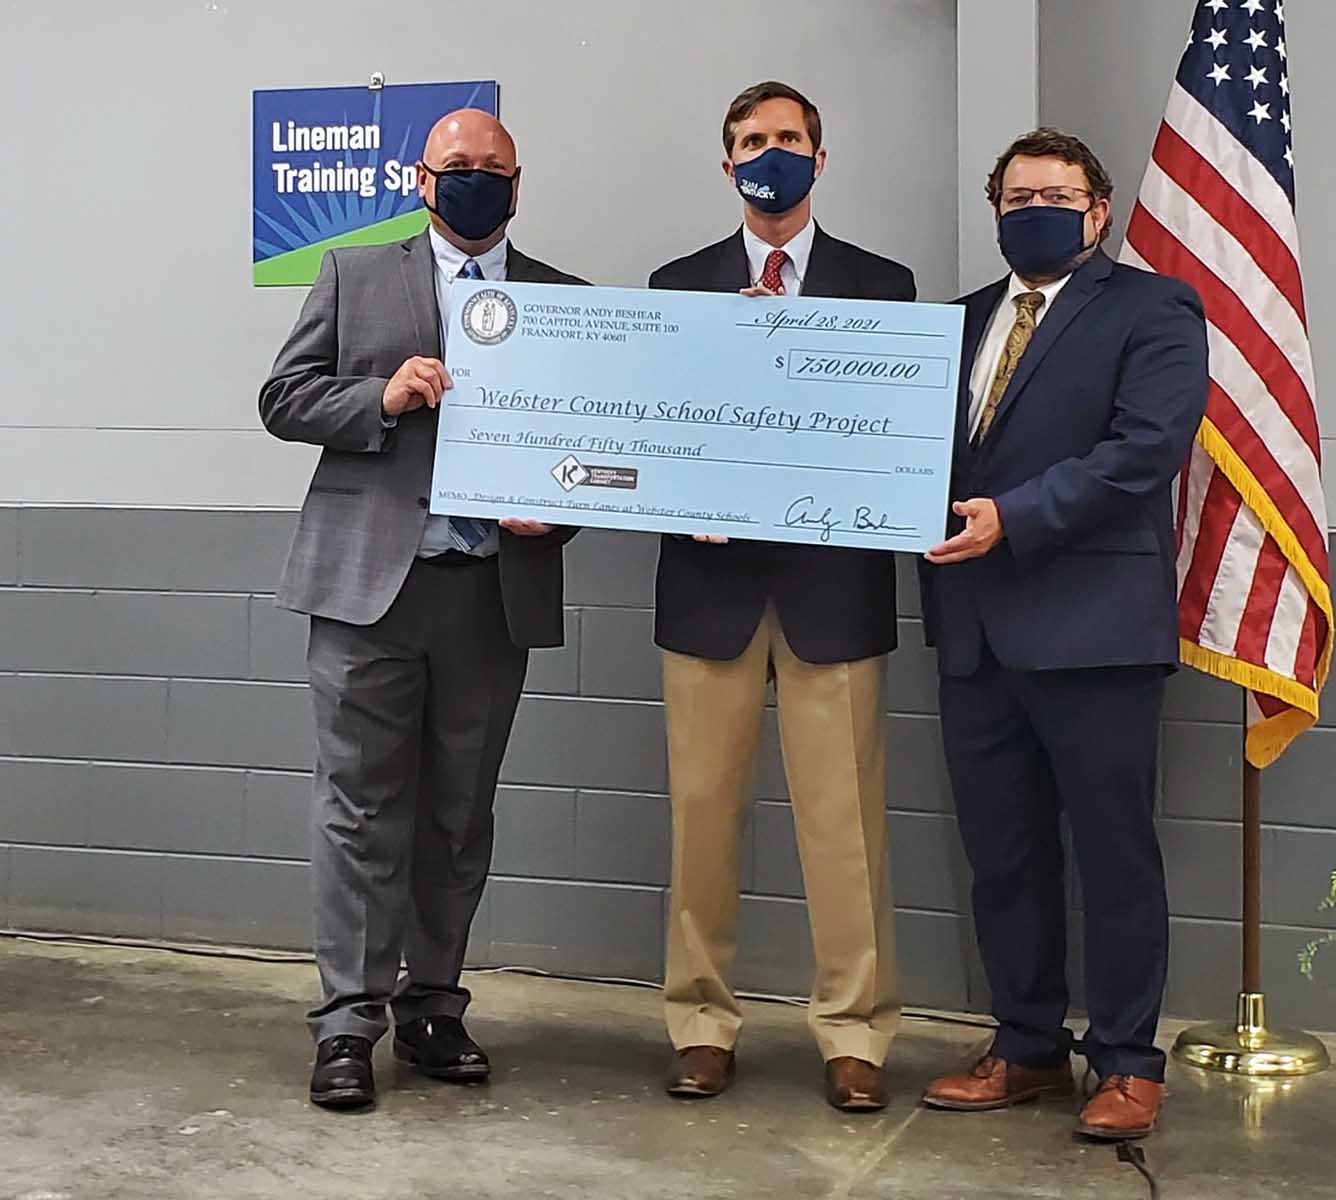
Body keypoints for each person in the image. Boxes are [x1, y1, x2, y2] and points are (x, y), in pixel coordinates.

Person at [259, 109, 586, 1110]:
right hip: (367, 594)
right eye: (457, 165)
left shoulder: (568, 304)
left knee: (457, 816)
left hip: (489, 595)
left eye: (494, 168)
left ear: (517, 184)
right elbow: (283, 398)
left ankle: (434, 1008)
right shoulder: (354, 274)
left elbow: (591, 452)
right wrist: (382, 397)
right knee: (360, 812)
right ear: (421, 179)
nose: (475, 179)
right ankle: (347, 1024)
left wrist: (557, 514)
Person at [916, 128, 1210, 1140]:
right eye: (1017, 196)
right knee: (1002, 856)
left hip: (1096, 631)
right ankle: (1027, 1044)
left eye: (1056, 195)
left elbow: (1148, 449)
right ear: (995, 208)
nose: (1034, 209)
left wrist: (1017, 515)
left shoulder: (1155, 308)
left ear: (1098, 210)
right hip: (973, 630)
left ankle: (1127, 1061)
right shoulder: (955, 324)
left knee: (1114, 855)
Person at [647, 81, 915, 1113]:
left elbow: (897, 435)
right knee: (701, 821)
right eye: (753, 140)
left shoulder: (883, 287)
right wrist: (685, 495)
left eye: (789, 137)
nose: (772, 152)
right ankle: (699, 1023)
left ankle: (856, 1032)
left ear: (820, 156)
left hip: (830, 592)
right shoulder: (676, 288)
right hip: (709, 590)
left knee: (847, 827)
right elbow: (650, 431)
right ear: (727, 164)